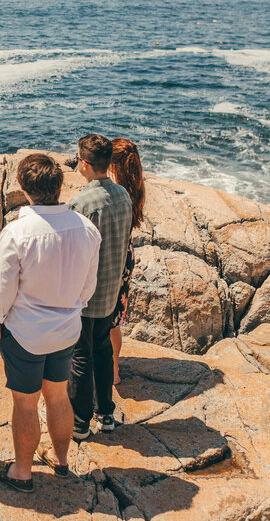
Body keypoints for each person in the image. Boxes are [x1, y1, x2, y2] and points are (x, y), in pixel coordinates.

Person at [0, 154, 101, 492]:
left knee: (25, 402)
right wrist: (71, 309)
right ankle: (61, 460)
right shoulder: (87, 229)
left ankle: (22, 472)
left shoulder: (18, 232)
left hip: (25, 334)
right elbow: (88, 287)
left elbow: (2, 287)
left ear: (23, 188)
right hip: (66, 331)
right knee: (58, 395)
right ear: (59, 185)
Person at [66, 134, 134, 441]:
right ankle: (106, 414)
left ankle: (79, 424)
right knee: (104, 350)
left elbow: (72, 251)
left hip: (85, 295)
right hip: (110, 290)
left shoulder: (80, 203)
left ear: (84, 163)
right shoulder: (123, 195)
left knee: (81, 357)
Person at [108, 137, 146, 385]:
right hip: (125, 255)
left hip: (114, 255)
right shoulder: (134, 187)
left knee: (106, 320)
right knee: (114, 321)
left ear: (113, 165)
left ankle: (109, 370)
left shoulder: (117, 192)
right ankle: (113, 370)